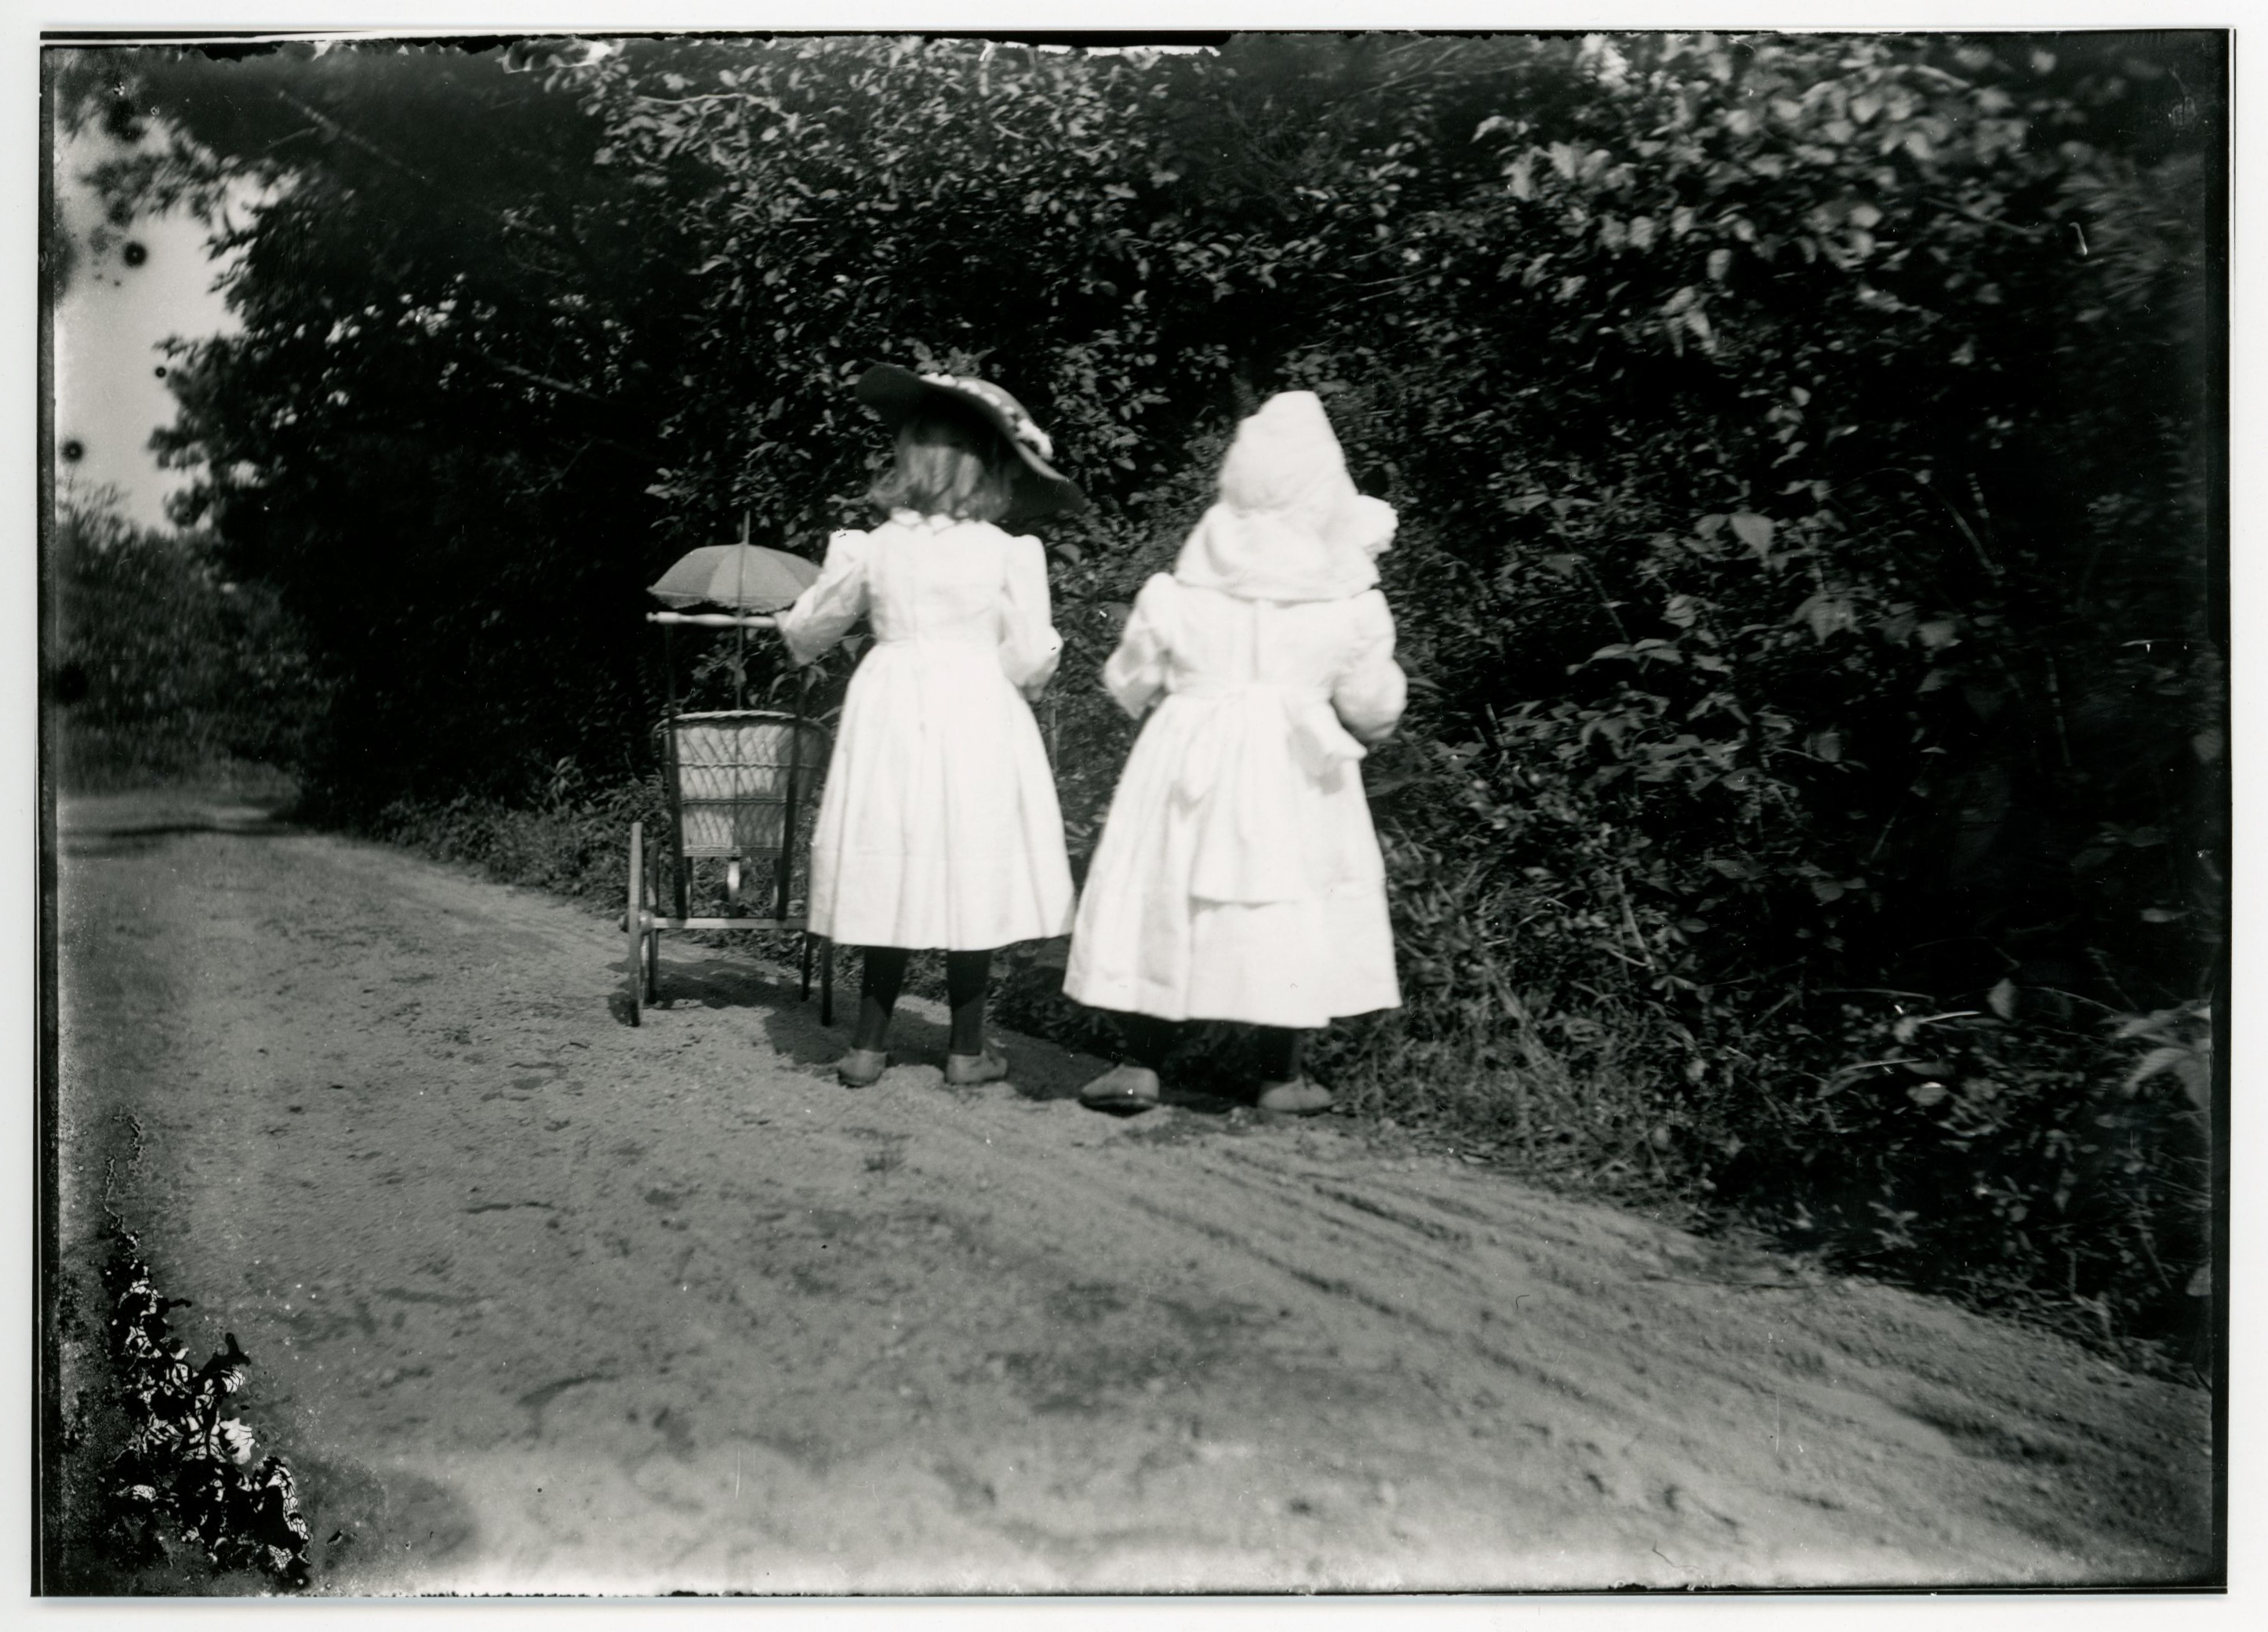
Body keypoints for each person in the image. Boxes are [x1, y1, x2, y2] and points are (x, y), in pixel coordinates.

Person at [1063, 390, 1406, 1116]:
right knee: (1291, 901)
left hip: (1191, 750)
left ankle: (1139, 1063)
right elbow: (1374, 708)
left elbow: (1128, 682)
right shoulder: (1347, 599)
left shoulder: (1179, 592)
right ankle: (1281, 1074)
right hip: (1294, 761)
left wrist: (1181, 689)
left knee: (1167, 893)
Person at [778, 364, 1083, 1089]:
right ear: (992, 469)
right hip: (976, 709)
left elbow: (809, 631)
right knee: (964, 868)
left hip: (890, 710)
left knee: (894, 861)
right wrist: (1015, 664)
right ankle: (966, 1050)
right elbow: (1032, 655)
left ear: (908, 458)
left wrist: (805, 600)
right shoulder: (1009, 553)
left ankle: (867, 1048)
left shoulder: (876, 545)